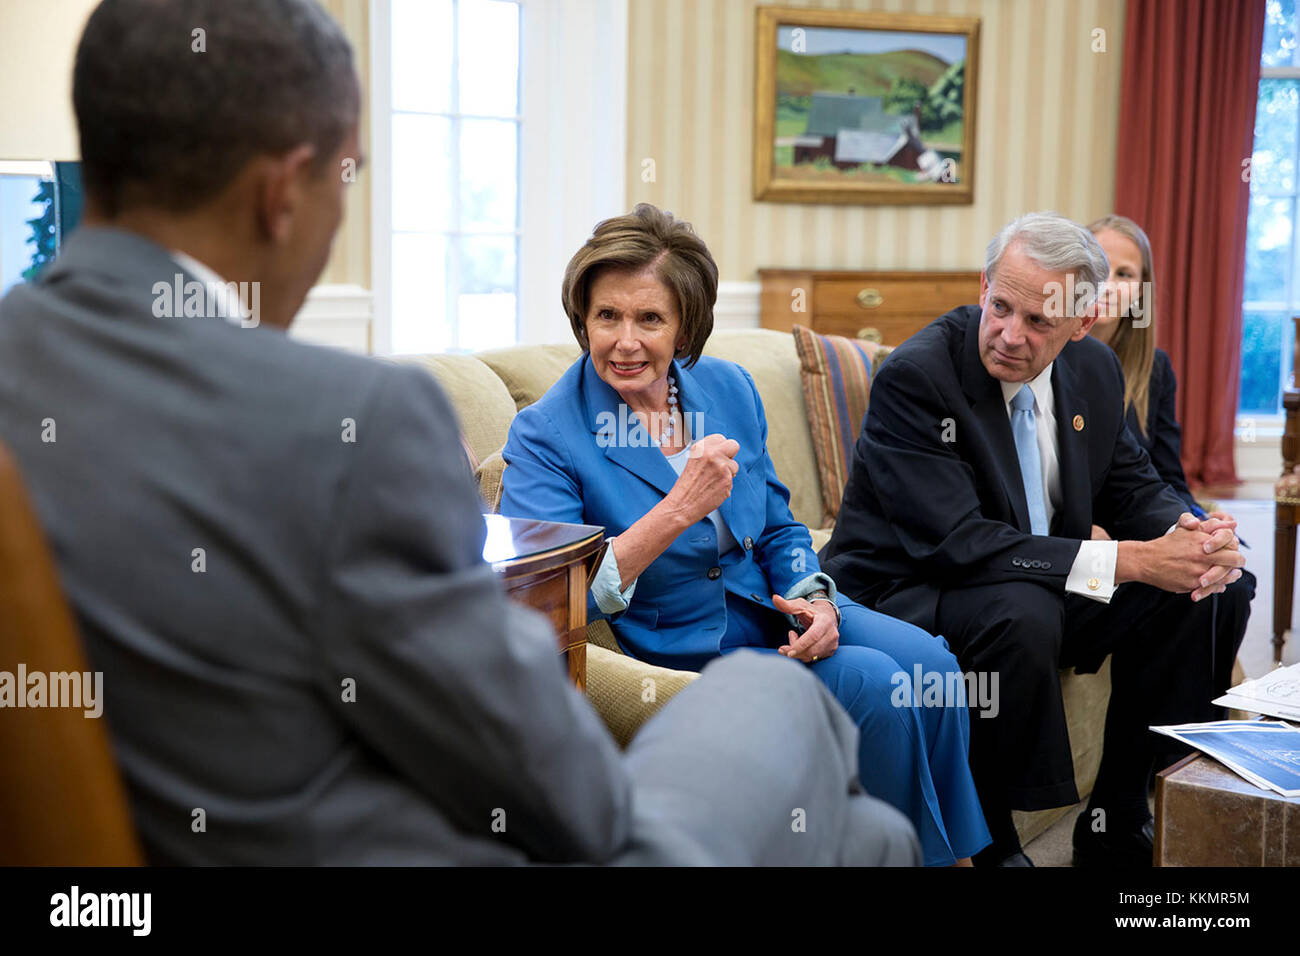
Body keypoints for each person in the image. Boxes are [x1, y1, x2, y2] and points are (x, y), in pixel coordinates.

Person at [0, 0, 920, 866]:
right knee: (791, 723)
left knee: (865, 828)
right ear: (283, 192)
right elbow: (559, 788)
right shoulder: (352, 428)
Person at [499, 203, 991, 867]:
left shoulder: (727, 387)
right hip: (685, 648)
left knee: (932, 666)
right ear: (582, 317)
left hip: (776, 611)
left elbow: (780, 525)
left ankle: (948, 857)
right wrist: (676, 509)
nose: (624, 341)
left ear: (685, 325)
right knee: (874, 684)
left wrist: (813, 594)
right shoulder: (546, 434)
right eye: (607, 316)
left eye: (649, 319)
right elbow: (550, 604)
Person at [820, 212, 1248, 868]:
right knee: (1020, 608)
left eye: (1039, 322)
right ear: (985, 284)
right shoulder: (920, 376)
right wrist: (1129, 560)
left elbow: (1133, 488)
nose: (1010, 336)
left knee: (1213, 590)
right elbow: (960, 543)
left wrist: (1191, 536)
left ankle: (1119, 811)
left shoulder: (1095, 372)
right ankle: (992, 841)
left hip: (1036, 579)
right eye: (1000, 307)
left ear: (1080, 324)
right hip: (910, 589)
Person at [1085, 214, 1254, 722]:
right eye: (1100, 268)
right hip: (1092, 543)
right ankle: (1136, 781)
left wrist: (1202, 531)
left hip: (1149, 524)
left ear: (1142, 292)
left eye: (1126, 274)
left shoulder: (1154, 368)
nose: (1111, 286)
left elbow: (1165, 477)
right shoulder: (1054, 358)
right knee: (1180, 592)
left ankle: (1187, 764)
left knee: (1232, 578)